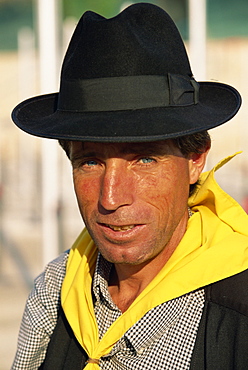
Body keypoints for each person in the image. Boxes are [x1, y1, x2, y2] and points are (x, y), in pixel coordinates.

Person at [11, 3, 248, 369]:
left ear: (195, 159)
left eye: (144, 159)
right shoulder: (57, 290)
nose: (111, 197)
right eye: (89, 162)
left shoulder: (237, 310)